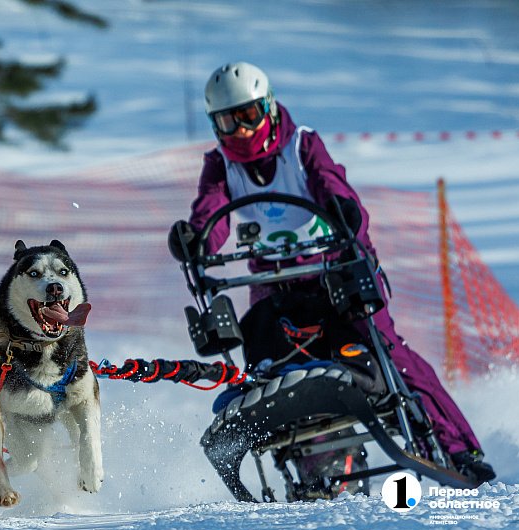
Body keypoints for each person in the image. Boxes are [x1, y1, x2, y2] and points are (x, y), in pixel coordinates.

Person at [172, 61, 495, 484]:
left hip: (335, 273)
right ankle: (309, 465)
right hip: (274, 284)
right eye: (228, 121)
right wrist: (195, 239)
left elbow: (330, 183)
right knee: (263, 350)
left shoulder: (301, 146)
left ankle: (458, 449)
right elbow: (210, 210)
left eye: (248, 116)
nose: (242, 131)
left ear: (266, 108)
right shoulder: (220, 166)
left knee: (387, 350)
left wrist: (343, 210)